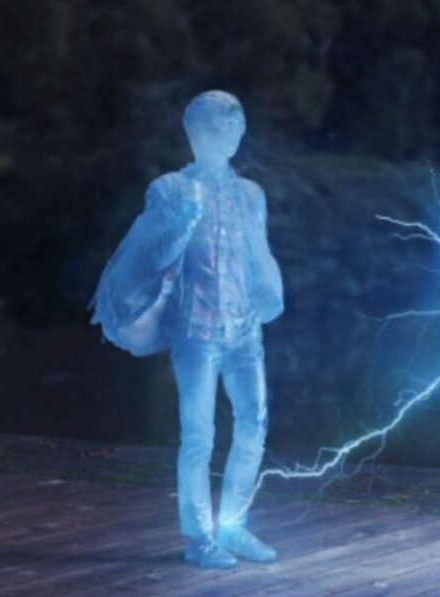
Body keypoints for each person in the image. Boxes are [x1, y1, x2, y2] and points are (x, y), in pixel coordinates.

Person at [91, 90, 284, 569]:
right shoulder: (170, 189)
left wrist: (267, 298)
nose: (226, 137)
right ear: (193, 134)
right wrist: (181, 222)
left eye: (233, 128)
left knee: (254, 423)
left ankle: (233, 525)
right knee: (199, 434)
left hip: (244, 329)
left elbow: (256, 255)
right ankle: (199, 536)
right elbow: (150, 258)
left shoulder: (250, 194)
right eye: (215, 128)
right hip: (196, 331)